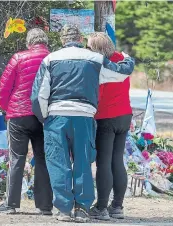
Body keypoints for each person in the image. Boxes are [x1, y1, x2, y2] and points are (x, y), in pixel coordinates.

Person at [31, 25, 135, 223]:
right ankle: (82, 209)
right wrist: (128, 58)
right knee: (83, 163)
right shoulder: (94, 59)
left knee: (58, 163)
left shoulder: (50, 59)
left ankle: (64, 209)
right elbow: (121, 72)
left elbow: (38, 95)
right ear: (79, 39)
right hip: (84, 117)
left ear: (62, 40)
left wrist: (45, 117)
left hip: (57, 117)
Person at [0, 28, 53, 214]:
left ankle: (11, 204)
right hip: (44, 115)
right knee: (43, 159)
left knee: (17, 158)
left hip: (18, 114)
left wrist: (7, 107)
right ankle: (44, 206)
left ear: (29, 43)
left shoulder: (18, 58)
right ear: (45, 42)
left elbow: (4, 87)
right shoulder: (53, 58)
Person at [87, 32, 132, 220]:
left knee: (103, 162)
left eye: (89, 47)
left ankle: (101, 208)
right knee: (117, 160)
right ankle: (118, 206)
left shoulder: (101, 65)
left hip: (106, 117)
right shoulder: (123, 60)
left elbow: (99, 93)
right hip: (125, 115)